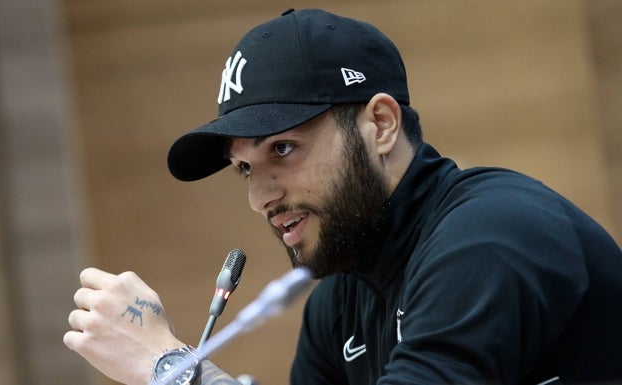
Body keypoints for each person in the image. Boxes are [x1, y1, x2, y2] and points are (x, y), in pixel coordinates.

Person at [64, 8, 622, 385]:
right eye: (244, 169)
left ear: (380, 124)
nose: (260, 197)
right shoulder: (339, 302)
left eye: (282, 149)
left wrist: (170, 368)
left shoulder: (492, 237)